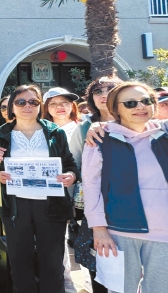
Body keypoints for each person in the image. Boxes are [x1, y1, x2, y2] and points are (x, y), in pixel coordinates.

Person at [80, 81, 168, 293]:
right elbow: (90, 186)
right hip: (120, 230)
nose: (140, 107)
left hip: (164, 233)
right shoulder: (101, 139)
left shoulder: (164, 134)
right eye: (130, 103)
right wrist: (98, 228)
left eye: (146, 101)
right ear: (115, 108)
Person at [0, 85, 78, 293]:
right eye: (21, 102)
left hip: (51, 205)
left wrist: (71, 176)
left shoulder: (54, 132)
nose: (27, 106)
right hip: (15, 207)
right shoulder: (0, 134)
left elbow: (69, 163)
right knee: (19, 260)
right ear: (11, 107)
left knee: (52, 262)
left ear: (40, 106)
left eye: (33, 102)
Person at [68, 76, 123, 293]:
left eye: (111, 88)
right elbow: (74, 165)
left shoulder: (140, 123)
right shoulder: (83, 128)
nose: (103, 94)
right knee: (98, 260)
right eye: (97, 91)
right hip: (94, 206)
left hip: (133, 208)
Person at [40, 87, 81, 291]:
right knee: (60, 237)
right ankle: (66, 279)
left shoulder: (83, 128)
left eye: (64, 102)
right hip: (55, 196)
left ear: (72, 105)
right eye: (54, 103)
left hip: (83, 195)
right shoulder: (42, 131)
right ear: (46, 107)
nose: (60, 107)